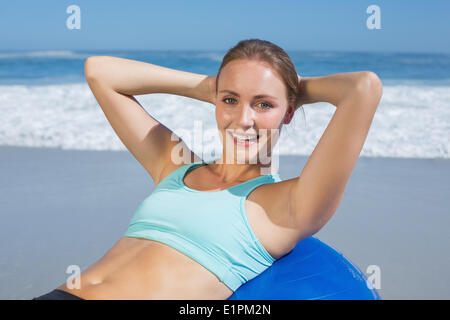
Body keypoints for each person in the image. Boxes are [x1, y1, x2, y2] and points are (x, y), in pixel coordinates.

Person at [32, 39, 382, 300]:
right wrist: (207, 86)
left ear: (288, 113)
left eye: (264, 104)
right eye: (230, 100)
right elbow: (99, 70)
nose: (244, 119)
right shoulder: (174, 166)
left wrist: (291, 89)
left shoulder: (287, 206)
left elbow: (363, 88)